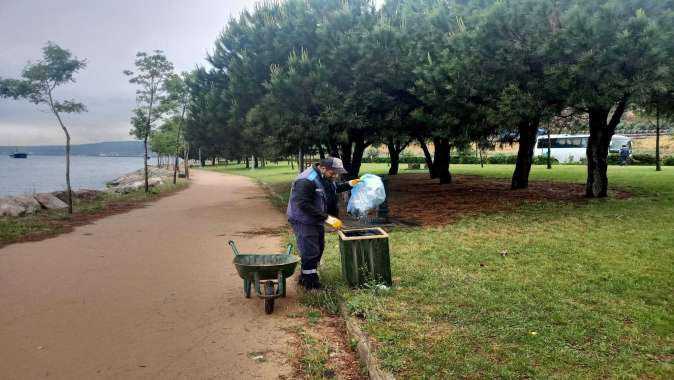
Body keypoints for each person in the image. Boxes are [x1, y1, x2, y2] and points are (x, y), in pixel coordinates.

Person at [287, 157, 360, 290]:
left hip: (316, 218)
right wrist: (328, 218)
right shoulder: (306, 180)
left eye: (337, 173)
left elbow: (332, 189)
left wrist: (350, 184)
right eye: (334, 172)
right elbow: (303, 204)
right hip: (303, 219)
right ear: (323, 168)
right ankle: (311, 285)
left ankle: (305, 277)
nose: (336, 175)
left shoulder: (326, 178)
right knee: (310, 251)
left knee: (319, 247)